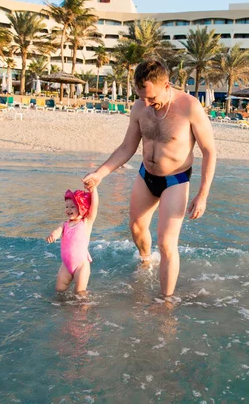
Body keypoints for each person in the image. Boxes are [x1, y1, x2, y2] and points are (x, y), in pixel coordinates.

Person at [82, 59, 216, 297]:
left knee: (166, 243)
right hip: (146, 176)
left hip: (175, 179)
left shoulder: (189, 107)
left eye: (151, 98)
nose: (146, 103)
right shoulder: (140, 107)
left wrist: (202, 194)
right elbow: (126, 147)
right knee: (135, 227)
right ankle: (146, 261)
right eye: (141, 97)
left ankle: (166, 301)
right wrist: (100, 174)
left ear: (166, 85)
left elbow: (209, 151)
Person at [46, 187, 99, 295]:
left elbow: (95, 205)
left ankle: (83, 309)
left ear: (82, 208)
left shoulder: (86, 222)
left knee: (80, 293)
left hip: (81, 265)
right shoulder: (64, 224)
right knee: (59, 290)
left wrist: (93, 189)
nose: (68, 209)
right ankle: (61, 311)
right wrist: (53, 235)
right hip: (66, 265)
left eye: (72, 207)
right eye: (67, 206)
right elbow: (57, 231)